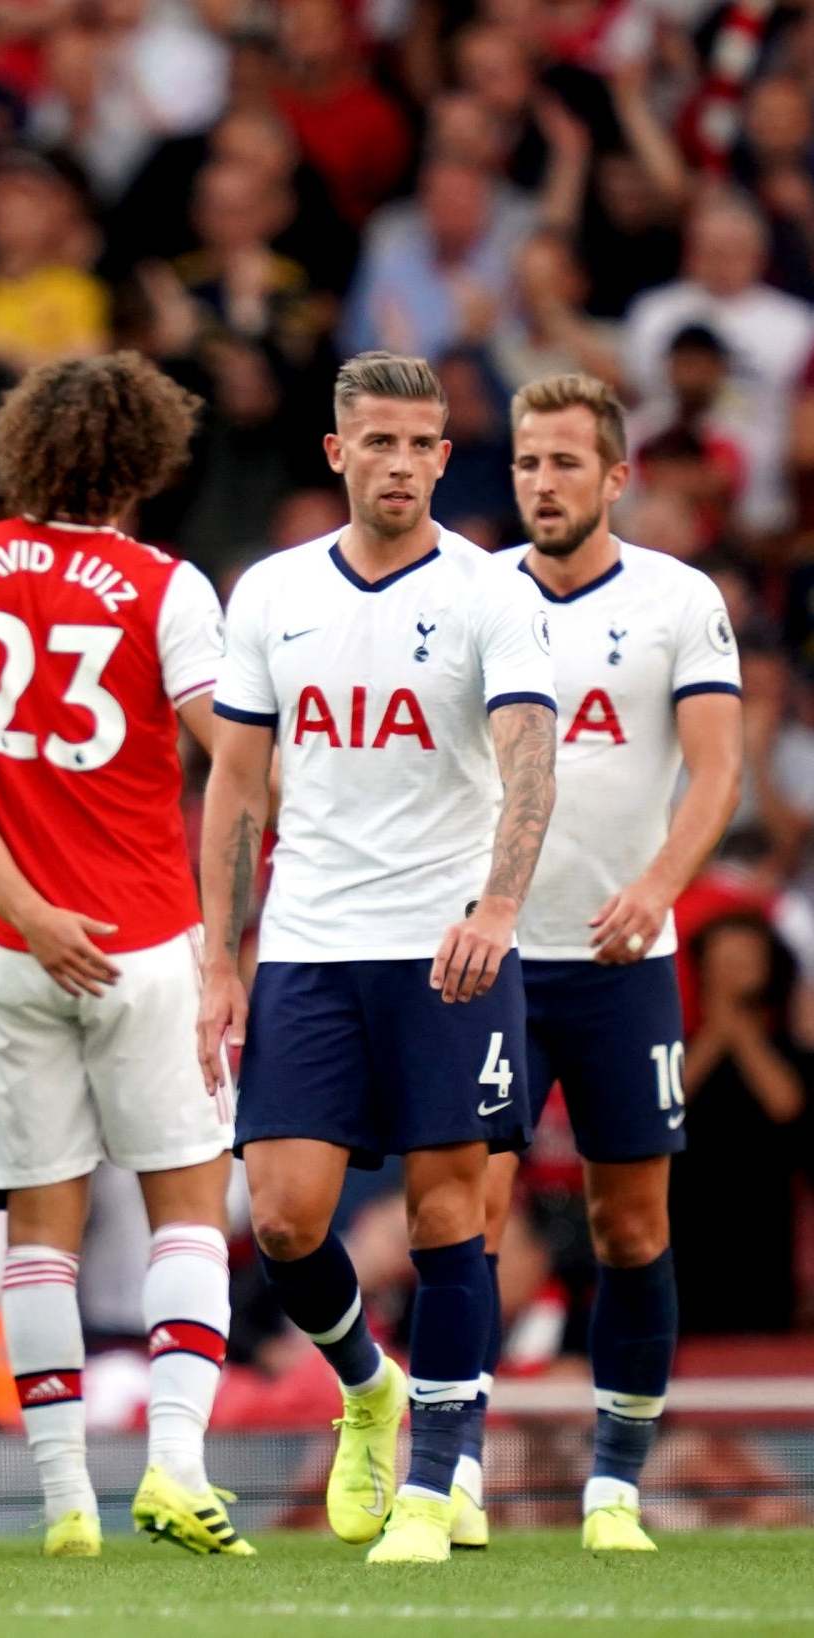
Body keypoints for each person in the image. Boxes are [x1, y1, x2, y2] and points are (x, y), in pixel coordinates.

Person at [0, 354, 246, 1558]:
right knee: (188, 1210)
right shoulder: (167, 586)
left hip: (16, 948)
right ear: (147, 462)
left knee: (40, 1230)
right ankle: (176, 1469)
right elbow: (231, 753)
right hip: (145, 935)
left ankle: (66, 1501)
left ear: (22, 446)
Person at [197, 352, 559, 1567]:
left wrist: (498, 907)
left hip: (446, 944)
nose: (399, 463)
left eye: (419, 444)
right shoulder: (272, 592)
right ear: (336, 451)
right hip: (310, 943)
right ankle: (369, 1387)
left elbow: (529, 760)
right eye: (378, 442)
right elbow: (237, 785)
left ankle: (436, 1485)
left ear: (444, 459)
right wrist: (220, 961)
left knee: (452, 1210)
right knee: (284, 1219)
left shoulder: (490, 591)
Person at [461, 374, 742, 1553]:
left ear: (616, 477)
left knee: (630, 1225)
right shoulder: (470, 592)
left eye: (567, 462)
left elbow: (717, 768)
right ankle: (450, 1470)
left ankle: (615, 1485)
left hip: (624, 957)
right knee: (466, 1215)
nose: (544, 482)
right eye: (529, 462)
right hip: (492, 956)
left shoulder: (678, 599)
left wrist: (657, 887)